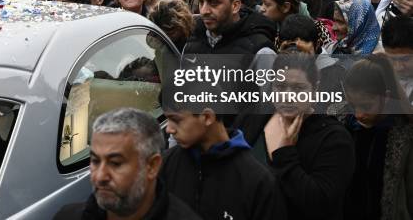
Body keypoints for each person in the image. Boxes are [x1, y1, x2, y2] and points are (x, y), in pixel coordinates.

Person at [251, 54, 355, 220]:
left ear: (315, 89)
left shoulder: (334, 138)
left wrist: (285, 154)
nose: (288, 95)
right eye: (280, 87)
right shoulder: (257, 122)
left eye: (298, 88)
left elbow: (320, 203)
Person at [54, 108, 201, 220]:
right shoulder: (67, 216)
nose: (100, 176)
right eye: (95, 161)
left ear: (152, 166)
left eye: (116, 163)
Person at [161, 103, 285, 220]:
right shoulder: (166, 163)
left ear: (207, 117)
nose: (169, 129)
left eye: (176, 120)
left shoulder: (258, 182)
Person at [329, 55, 413, 219]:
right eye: (353, 106)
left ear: (386, 97)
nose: (359, 114)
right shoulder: (339, 126)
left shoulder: (404, 136)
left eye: (366, 106)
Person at [185, 0, 276, 54]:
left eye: (214, 3)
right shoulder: (192, 40)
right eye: (201, 2)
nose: (204, 11)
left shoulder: (260, 51)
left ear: (235, 6)